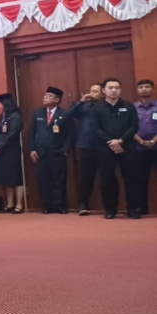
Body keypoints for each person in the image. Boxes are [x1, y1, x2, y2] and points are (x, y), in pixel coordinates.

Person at [92, 78, 139, 219]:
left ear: (120, 90)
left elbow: (134, 126)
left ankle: (132, 209)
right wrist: (111, 142)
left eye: (116, 88)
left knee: (130, 179)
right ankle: (110, 210)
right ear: (104, 90)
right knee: (108, 179)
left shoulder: (129, 106)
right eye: (110, 88)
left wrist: (120, 141)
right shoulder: (97, 108)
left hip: (127, 147)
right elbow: (95, 128)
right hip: (105, 148)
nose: (114, 90)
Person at [28, 87, 73, 214]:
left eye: (48, 96)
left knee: (59, 180)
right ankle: (47, 205)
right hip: (40, 153)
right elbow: (32, 133)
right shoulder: (37, 114)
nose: (45, 97)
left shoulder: (64, 114)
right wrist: (32, 149)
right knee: (43, 180)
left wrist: (65, 150)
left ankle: (60, 205)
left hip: (58, 153)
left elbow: (70, 134)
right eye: (45, 95)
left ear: (57, 99)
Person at [65, 84, 102, 215]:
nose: (92, 93)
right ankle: (83, 204)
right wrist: (81, 102)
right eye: (91, 91)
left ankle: (109, 206)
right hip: (87, 145)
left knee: (107, 176)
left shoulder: (106, 106)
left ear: (103, 93)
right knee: (86, 177)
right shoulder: (85, 106)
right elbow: (68, 115)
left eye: (95, 91)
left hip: (104, 145)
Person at [0, 94, 25, 214]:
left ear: (5, 104)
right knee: (6, 179)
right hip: (1, 152)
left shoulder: (16, 116)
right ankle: (10, 204)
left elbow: (12, 134)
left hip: (11, 151)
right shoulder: (2, 116)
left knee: (15, 178)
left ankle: (19, 205)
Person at [128, 79, 157, 217]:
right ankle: (141, 208)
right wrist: (141, 141)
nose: (144, 89)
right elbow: (128, 127)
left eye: (147, 87)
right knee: (139, 180)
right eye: (141, 87)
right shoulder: (132, 108)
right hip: (138, 148)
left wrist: (152, 141)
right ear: (137, 90)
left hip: (156, 147)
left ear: (152, 89)